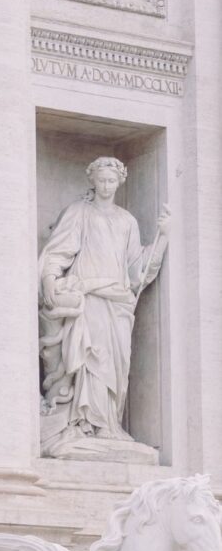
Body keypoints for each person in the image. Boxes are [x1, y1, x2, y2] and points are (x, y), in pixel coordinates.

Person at [38, 156, 170, 455]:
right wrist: (49, 278)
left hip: (118, 301)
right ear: (93, 181)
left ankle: (109, 424)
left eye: (112, 181)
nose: (107, 186)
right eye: (102, 180)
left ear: (119, 182)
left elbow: (137, 268)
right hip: (89, 297)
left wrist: (162, 238)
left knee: (115, 366)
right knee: (90, 359)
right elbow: (58, 251)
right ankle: (84, 422)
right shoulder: (79, 212)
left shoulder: (127, 221)